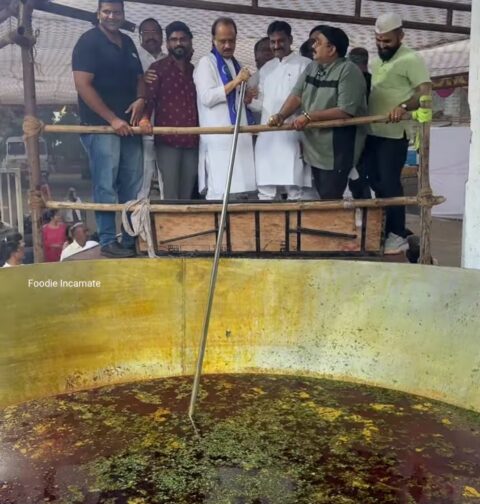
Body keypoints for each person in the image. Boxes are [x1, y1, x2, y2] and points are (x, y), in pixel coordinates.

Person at [72, 0, 145, 258]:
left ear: (124, 15)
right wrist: (112, 119)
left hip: (130, 127)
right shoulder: (88, 42)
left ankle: (128, 237)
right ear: (98, 13)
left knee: (132, 183)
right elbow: (83, 84)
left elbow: (139, 78)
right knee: (105, 183)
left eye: (117, 12)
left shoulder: (127, 43)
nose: (112, 16)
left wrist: (141, 99)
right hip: (101, 126)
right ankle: (106, 240)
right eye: (107, 11)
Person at [269, 25, 367, 200]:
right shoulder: (312, 67)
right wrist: (281, 115)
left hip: (336, 151)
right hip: (313, 150)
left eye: (318, 43)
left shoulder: (348, 71)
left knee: (332, 200)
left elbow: (345, 110)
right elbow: (297, 95)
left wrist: (309, 116)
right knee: (320, 198)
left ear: (332, 49)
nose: (313, 46)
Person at [365, 13, 431, 254]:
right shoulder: (376, 61)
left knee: (390, 183)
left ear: (401, 36)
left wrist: (402, 107)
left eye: (388, 41)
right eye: (379, 40)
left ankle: (397, 234)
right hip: (372, 131)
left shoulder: (411, 59)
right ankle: (387, 229)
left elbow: (424, 93)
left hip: (394, 134)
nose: (383, 45)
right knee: (373, 180)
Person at [193, 17, 256, 200]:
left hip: (239, 139)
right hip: (218, 141)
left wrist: (246, 96)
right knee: (219, 193)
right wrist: (235, 82)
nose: (228, 45)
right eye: (222, 41)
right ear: (213, 40)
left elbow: (238, 97)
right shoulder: (206, 63)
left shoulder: (236, 65)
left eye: (231, 40)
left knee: (241, 193)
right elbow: (207, 98)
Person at [250, 21, 311, 200]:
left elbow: (307, 100)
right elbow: (261, 105)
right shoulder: (266, 69)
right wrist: (249, 101)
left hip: (292, 134)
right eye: (273, 42)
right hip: (267, 136)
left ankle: (293, 228)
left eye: (281, 41)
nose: (276, 46)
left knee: (294, 190)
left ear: (290, 40)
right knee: (265, 191)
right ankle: (267, 229)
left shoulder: (305, 65)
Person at [140, 21, 199, 200]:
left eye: (182, 39)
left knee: (187, 191)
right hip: (167, 141)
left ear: (190, 42)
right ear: (167, 44)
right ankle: (171, 228)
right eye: (173, 40)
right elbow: (149, 99)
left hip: (193, 140)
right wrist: (144, 119)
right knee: (171, 193)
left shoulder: (194, 70)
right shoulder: (157, 69)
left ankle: (186, 228)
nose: (178, 43)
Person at [137, 18, 167, 199]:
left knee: (166, 177)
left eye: (154, 32)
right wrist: (140, 78)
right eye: (146, 33)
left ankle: (166, 220)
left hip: (165, 125)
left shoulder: (169, 59)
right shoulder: (132, 57)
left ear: (161, 36)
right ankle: (138, 223)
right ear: (140, 37)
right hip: (141, 126)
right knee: (143, 177)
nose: (151, 37)